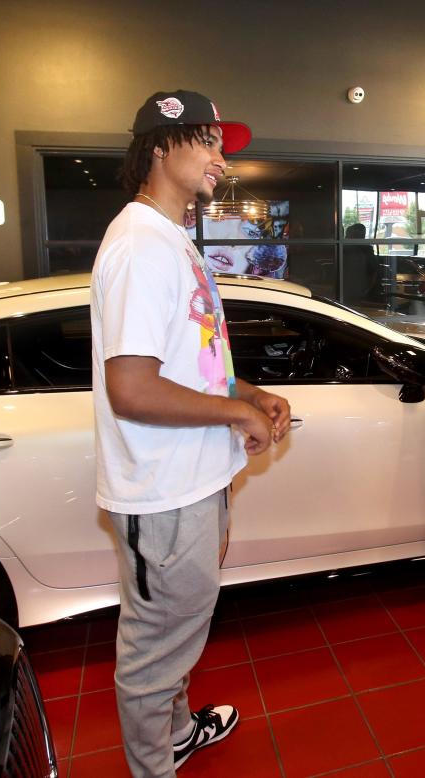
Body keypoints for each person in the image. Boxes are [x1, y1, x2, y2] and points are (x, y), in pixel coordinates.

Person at [91, 89, 291, 777]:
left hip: (194, 480)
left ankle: (176, 733)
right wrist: (237, 415)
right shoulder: (140, 246)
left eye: (222, 146)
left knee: (181, 629)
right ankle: (155, 766)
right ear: (157, 147)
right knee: (155, 647)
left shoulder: (173, 240)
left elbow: (192, 368)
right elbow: (133, 388)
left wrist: (248, 394)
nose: (220, 158)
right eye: (206, 141)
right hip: (163, 490)